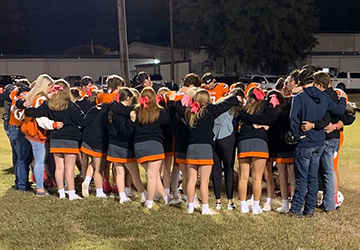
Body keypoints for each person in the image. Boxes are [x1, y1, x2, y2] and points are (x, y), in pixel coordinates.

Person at [170, 89, 241, 215]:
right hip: (205, 148)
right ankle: (205, 208)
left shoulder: (189, 112)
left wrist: (178, 100)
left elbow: (175, 106)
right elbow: (224, 105)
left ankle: (190, 207)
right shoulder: (209, 110)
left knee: (191, 180)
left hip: (191, 149)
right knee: (204, 181)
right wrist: (235, 98)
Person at [25, 80, 98, 200]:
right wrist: (94, 111)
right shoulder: (71, 106)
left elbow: (31, 112)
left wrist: (24, 105)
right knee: (69, 169)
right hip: (71, 139)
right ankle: (71, 193)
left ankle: (62, 193)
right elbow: (82, 121)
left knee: (59, 168)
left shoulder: (48, 104)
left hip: (55, 140)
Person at [289, 69, 347, 217]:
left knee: (302, 178)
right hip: (319, 142)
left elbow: (293, 119)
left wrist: (297, 136)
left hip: (305, 142)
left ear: (301, 81)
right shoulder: (324, 97)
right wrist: (342, 98)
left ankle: (296, 209)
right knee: (313, 177)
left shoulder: (299, 98)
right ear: (313, 81)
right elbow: (339, 110)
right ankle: (309, 210)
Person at [236, 85, 279, 214]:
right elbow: (270, 119)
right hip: (260, 142)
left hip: (243, 142)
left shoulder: (243, 111)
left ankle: (243, 206)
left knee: (243, 177)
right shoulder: (265, 109)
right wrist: (262, 123)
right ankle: (255, 206)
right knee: (257, 178)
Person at [22, 74, 63, 196]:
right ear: (47, 86)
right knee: (40, 161)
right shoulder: (40, 98)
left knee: (47, 160)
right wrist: (54, 125)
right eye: (50, 86)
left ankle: (56, 182)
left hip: (31, 132)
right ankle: (40, 188)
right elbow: (41, 119)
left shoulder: (32, 96)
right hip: (37, 133)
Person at [108, 88, 147, 204]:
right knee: (135, 173)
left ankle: (122, 196)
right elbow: (126, 132)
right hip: (124, 145)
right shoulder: (127, 113)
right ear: (129, 98)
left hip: (113, 144)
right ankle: (143, 194)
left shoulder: (114, 111)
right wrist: (132, 122)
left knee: (119, 172)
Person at [133, 87, 170, 209]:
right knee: (153, 175)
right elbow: (168, 123)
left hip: (139, 147)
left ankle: (165, 198)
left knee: (152, 174)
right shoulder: (160, 111)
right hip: (154, 145)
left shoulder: (136, 111)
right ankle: (149, 202)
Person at [212, 88, 244, 211]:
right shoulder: (234, 106)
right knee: (229, 169)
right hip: (227, 137)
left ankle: (218, 202)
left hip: (214, 137)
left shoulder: (219, 102)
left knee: (216, 169)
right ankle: (229, 202)